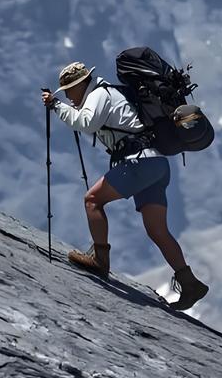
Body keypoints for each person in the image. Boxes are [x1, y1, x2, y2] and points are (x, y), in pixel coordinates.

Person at [41, 61, 209, 312]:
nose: (67, 96)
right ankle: (189, 283)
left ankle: (100, 260)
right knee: (157, 230)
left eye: (68, 91)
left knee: (92, 200)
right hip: (156, 164)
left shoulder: (98, 94)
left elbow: (85, 123)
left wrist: (56, 105)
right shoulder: (106, 93)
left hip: (139, 162)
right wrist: (64, 106)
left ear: (80, 85)